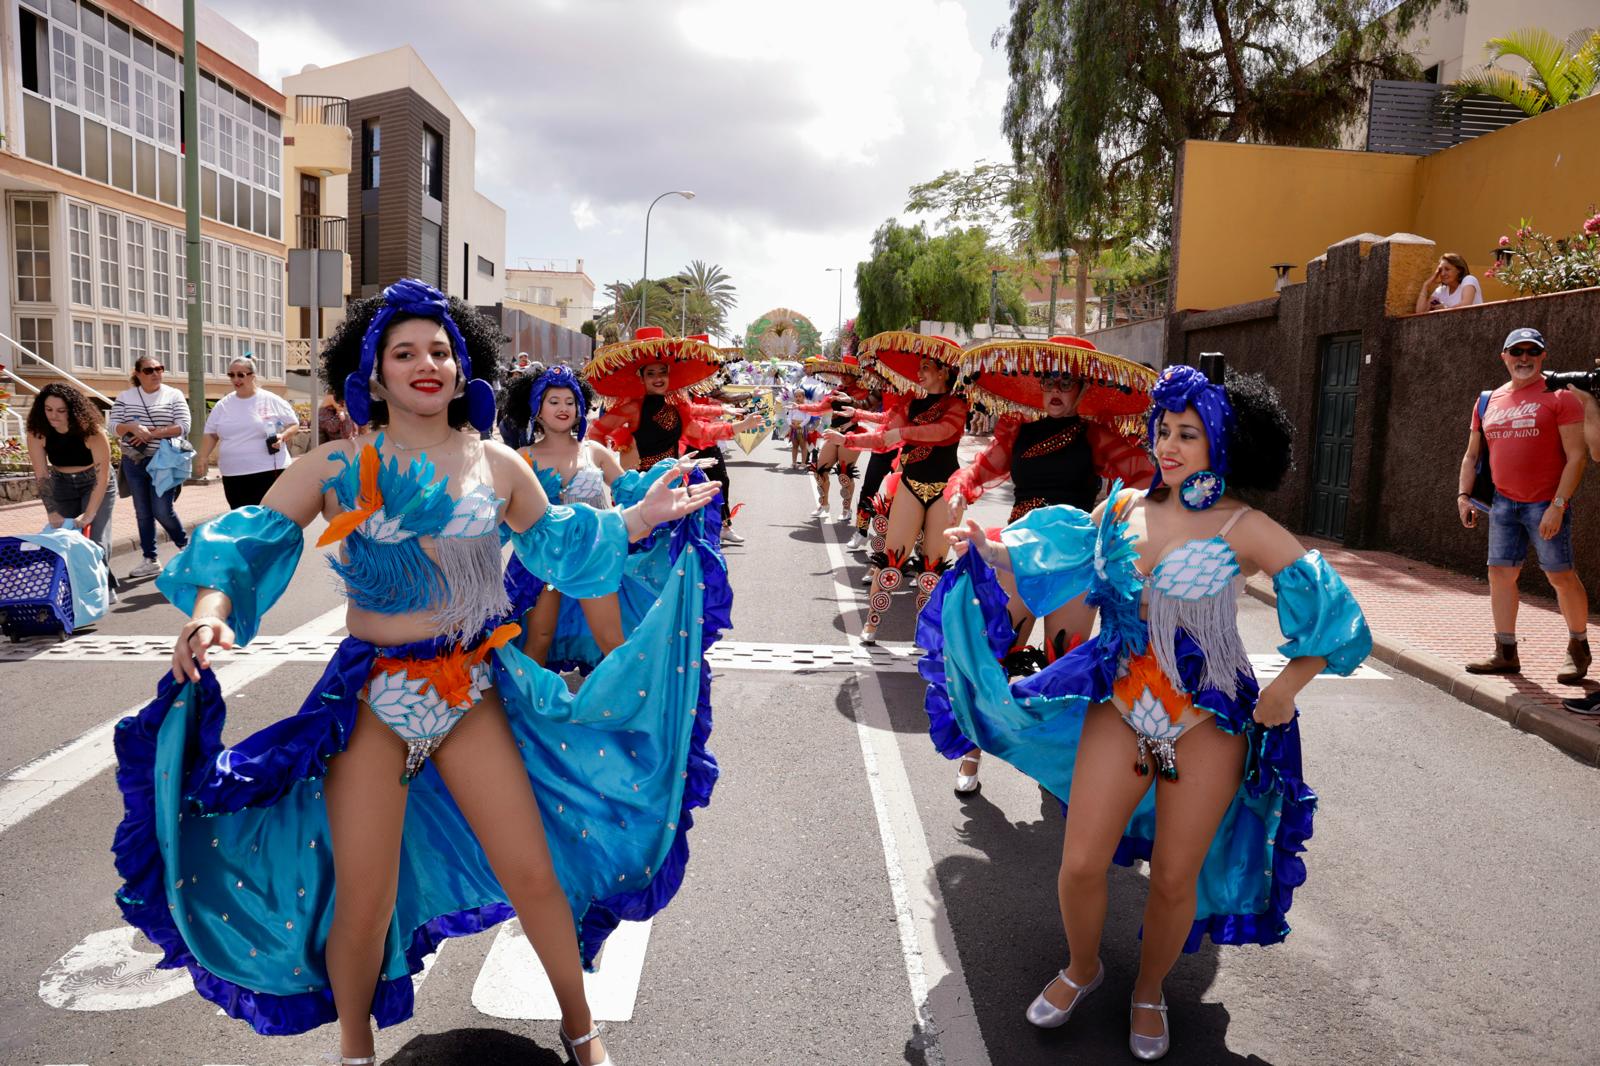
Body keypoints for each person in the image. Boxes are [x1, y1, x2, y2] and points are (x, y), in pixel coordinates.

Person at [110, 280, 722, 1066]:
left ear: (462, 366)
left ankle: (582, 1030)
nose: (425, 364)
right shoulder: (336, 462)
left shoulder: (497, 464)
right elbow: (250, 541)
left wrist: (640, 519)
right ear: (373, 371)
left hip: (470, 687)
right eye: (404, 352)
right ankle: (356, 1049)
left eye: (440, 350)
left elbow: (561, 545)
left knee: (532, 873)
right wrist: (210, 610)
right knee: (364, 899)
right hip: (374, 696)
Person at [921, 357, 1371, 1061]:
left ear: (1218, 447)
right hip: (1121, 705)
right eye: (1163, 430)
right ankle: (1083, 967)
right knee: (1078, 865)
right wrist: (988, 546)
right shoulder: (1125, 508)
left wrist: (1288, 686)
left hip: (1206, 724)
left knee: (1171, 878)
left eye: (1187, 434)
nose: (1167, 446)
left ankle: (1150, 989)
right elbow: (1056, 554)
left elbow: (1335, 611)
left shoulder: (1245, 526)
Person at [936, 335, 1157, 794]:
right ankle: (972, 754)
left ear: (1081, 390)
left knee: (1066, 661)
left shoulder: (1096, 436)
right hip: (1017, 553)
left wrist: (1111, 522)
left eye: (1065, 382)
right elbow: (977, 471)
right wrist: (960, 490)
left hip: (1075, 559)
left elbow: (1143, 479)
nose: (1055, 389)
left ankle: (1057, 767)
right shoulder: (1018, 432)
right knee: (997, 649)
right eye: (1047, 381)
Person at [1455, 327, 1589, 683]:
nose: (1524, 358)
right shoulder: (1487, 400)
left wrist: (1558, 505)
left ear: (1543, 355)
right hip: (1503, 504)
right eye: (1517, 351)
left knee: (1560, 576)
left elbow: (1577, 457)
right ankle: (1505, 652)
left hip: (1545, 503)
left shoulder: (1560, 396)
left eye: (1532, 351)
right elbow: (1472, 455)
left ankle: (1578, 647)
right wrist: (1463, 496)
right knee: (1500, 574)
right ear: (1505, 357)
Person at [833, 332, 968, 645]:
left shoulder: (958, 404)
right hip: (909, 484)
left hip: (944, 488)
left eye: (925, 367)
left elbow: (943, 432)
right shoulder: (910, 402)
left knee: (932, 565)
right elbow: (884, 438)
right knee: (892, 556)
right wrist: (850, 440)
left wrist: (904, 433)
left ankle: (925, 632)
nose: (918, 373)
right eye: (919, 367)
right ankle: (871, 623)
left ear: (943, 372)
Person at [25, 382, 119, 594]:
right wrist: (52, 511)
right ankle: (74, 591)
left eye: (60, 411)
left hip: (94, 482)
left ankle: (102, 587)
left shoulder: (92, 432)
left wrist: (89, 513)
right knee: (63, 539)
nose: (53, 416)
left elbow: (101, 475)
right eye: (48, 410)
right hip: (61, 483)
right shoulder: (37, 432)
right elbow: (41, 475)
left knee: (94, 539)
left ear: (73, 411)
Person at [109, 354, 190, 579]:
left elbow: (183, 426)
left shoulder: (173, 395)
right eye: (149, 370)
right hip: (134, 461)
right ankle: (150, 559)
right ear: (138, 374)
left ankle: (187, 548)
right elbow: (113, 426)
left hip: (164, 461)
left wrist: (151, 433)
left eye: (159, 368)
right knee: (143, 513)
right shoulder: (126, 397)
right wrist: (132, 427)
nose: (155, 373)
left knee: (162, 509)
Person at [197, 356, 301, 509]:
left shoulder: (271, 399)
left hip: (268, 469)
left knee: (267, 517)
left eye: (241, 374)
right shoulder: (223, 405)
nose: (236, 379)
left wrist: (283, 436)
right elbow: (211, 433)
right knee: (241, 518)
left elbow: (294, 424)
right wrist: (203, 457)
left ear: (252, 376)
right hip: (233, 472)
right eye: (231, 375)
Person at [793, 355, 869, 521]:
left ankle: (846, 509)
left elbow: (866, 410)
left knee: (845, 474)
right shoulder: (836, 391)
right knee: (820, 469)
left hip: (851, 434)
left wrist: (853, 411)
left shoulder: (862, 392)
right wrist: (800, 406)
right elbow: (820, 407)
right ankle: (824, 504)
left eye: (848, 373)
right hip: (834, 432)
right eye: (842, 373)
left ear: (856, 375)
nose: (844, 376)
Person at [1415, 252, 1483, 312]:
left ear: (1459, 270)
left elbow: (1465, 305)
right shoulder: (1441, 290)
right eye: (1440, 270)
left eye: (1447, 269)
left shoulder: (1469, 279)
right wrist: (1426, 285)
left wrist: (1446, 309)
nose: (1442, 274)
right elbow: (1420, 312)